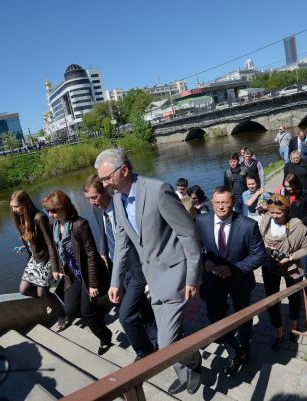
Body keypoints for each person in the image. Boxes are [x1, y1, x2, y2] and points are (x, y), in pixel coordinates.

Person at [95, 148, 203, 395]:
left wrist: (193, 276)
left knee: (165, 342)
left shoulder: (158, 190)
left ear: (124, 170)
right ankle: (185, 373)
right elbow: (122, 245)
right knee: (169, 336)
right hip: (153, 281)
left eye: (106, 177)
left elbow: (187, 233)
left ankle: (193, 362)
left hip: (176, 275)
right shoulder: (119, 201)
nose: (104, 183)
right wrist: (115, 282)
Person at [83, 175, 157, 360]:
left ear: (105, 191)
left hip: (137, 266)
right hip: (118, 268)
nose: (92, 202)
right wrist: (103, 251)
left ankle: (144, 351)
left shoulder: (122, 206)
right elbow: (102, 231)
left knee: (125, 315)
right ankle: (155, 338)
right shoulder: (97, 210)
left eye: (94, 197)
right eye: (88, 199)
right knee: (141, 305)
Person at [196, 187, 266, 376]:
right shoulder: (201, 221)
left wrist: (234, 269)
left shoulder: (248, 225)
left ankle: (246, 349)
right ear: (211, 203)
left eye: (224, 202)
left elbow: (259, 255)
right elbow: (197, 248)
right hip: (213, 280)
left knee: (243, 317)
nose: (220, 207)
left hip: (239, 280)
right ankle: (236, 351)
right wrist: (205, 261)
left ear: (232, 202)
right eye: (217, 202)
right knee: (214, 316)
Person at [42, 190, 113, 355]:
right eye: (48, 211)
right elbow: (53, 249)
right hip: (72, 274)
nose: (51, 215)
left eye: (53, 211)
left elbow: (91, 255)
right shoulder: (54, 226)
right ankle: (99, 312)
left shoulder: (80, 225)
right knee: (71, 311)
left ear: (64, 208)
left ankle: (105, 337)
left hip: (88, 274)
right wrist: (56, 268)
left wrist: (93, 284)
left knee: (88, 312)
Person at [259, 194, 307, 350]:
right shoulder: (265, 220)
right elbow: (258, 239)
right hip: (270, 266)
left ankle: (294, 326)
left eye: (278, 213)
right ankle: (278, 331)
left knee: (294, 297)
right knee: (272, 299)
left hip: (291, 267)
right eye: (271, 212)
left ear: (286, 211)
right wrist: (266, 248)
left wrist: (290, 257)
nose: (274, 216)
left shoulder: (297, 226)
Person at [10, 190, 66, 328]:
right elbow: (31, 240)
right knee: (24, 289)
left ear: (25, 203)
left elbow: (50, 243)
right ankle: (52, 302)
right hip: (35, 260)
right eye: (12, 207)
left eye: (16, 206)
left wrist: (55, 266)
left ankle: (61, 314)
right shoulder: (21, 217)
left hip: (47, 259)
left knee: (42, 291)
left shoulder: (39, 217)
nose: (14, 210)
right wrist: (27, 249)